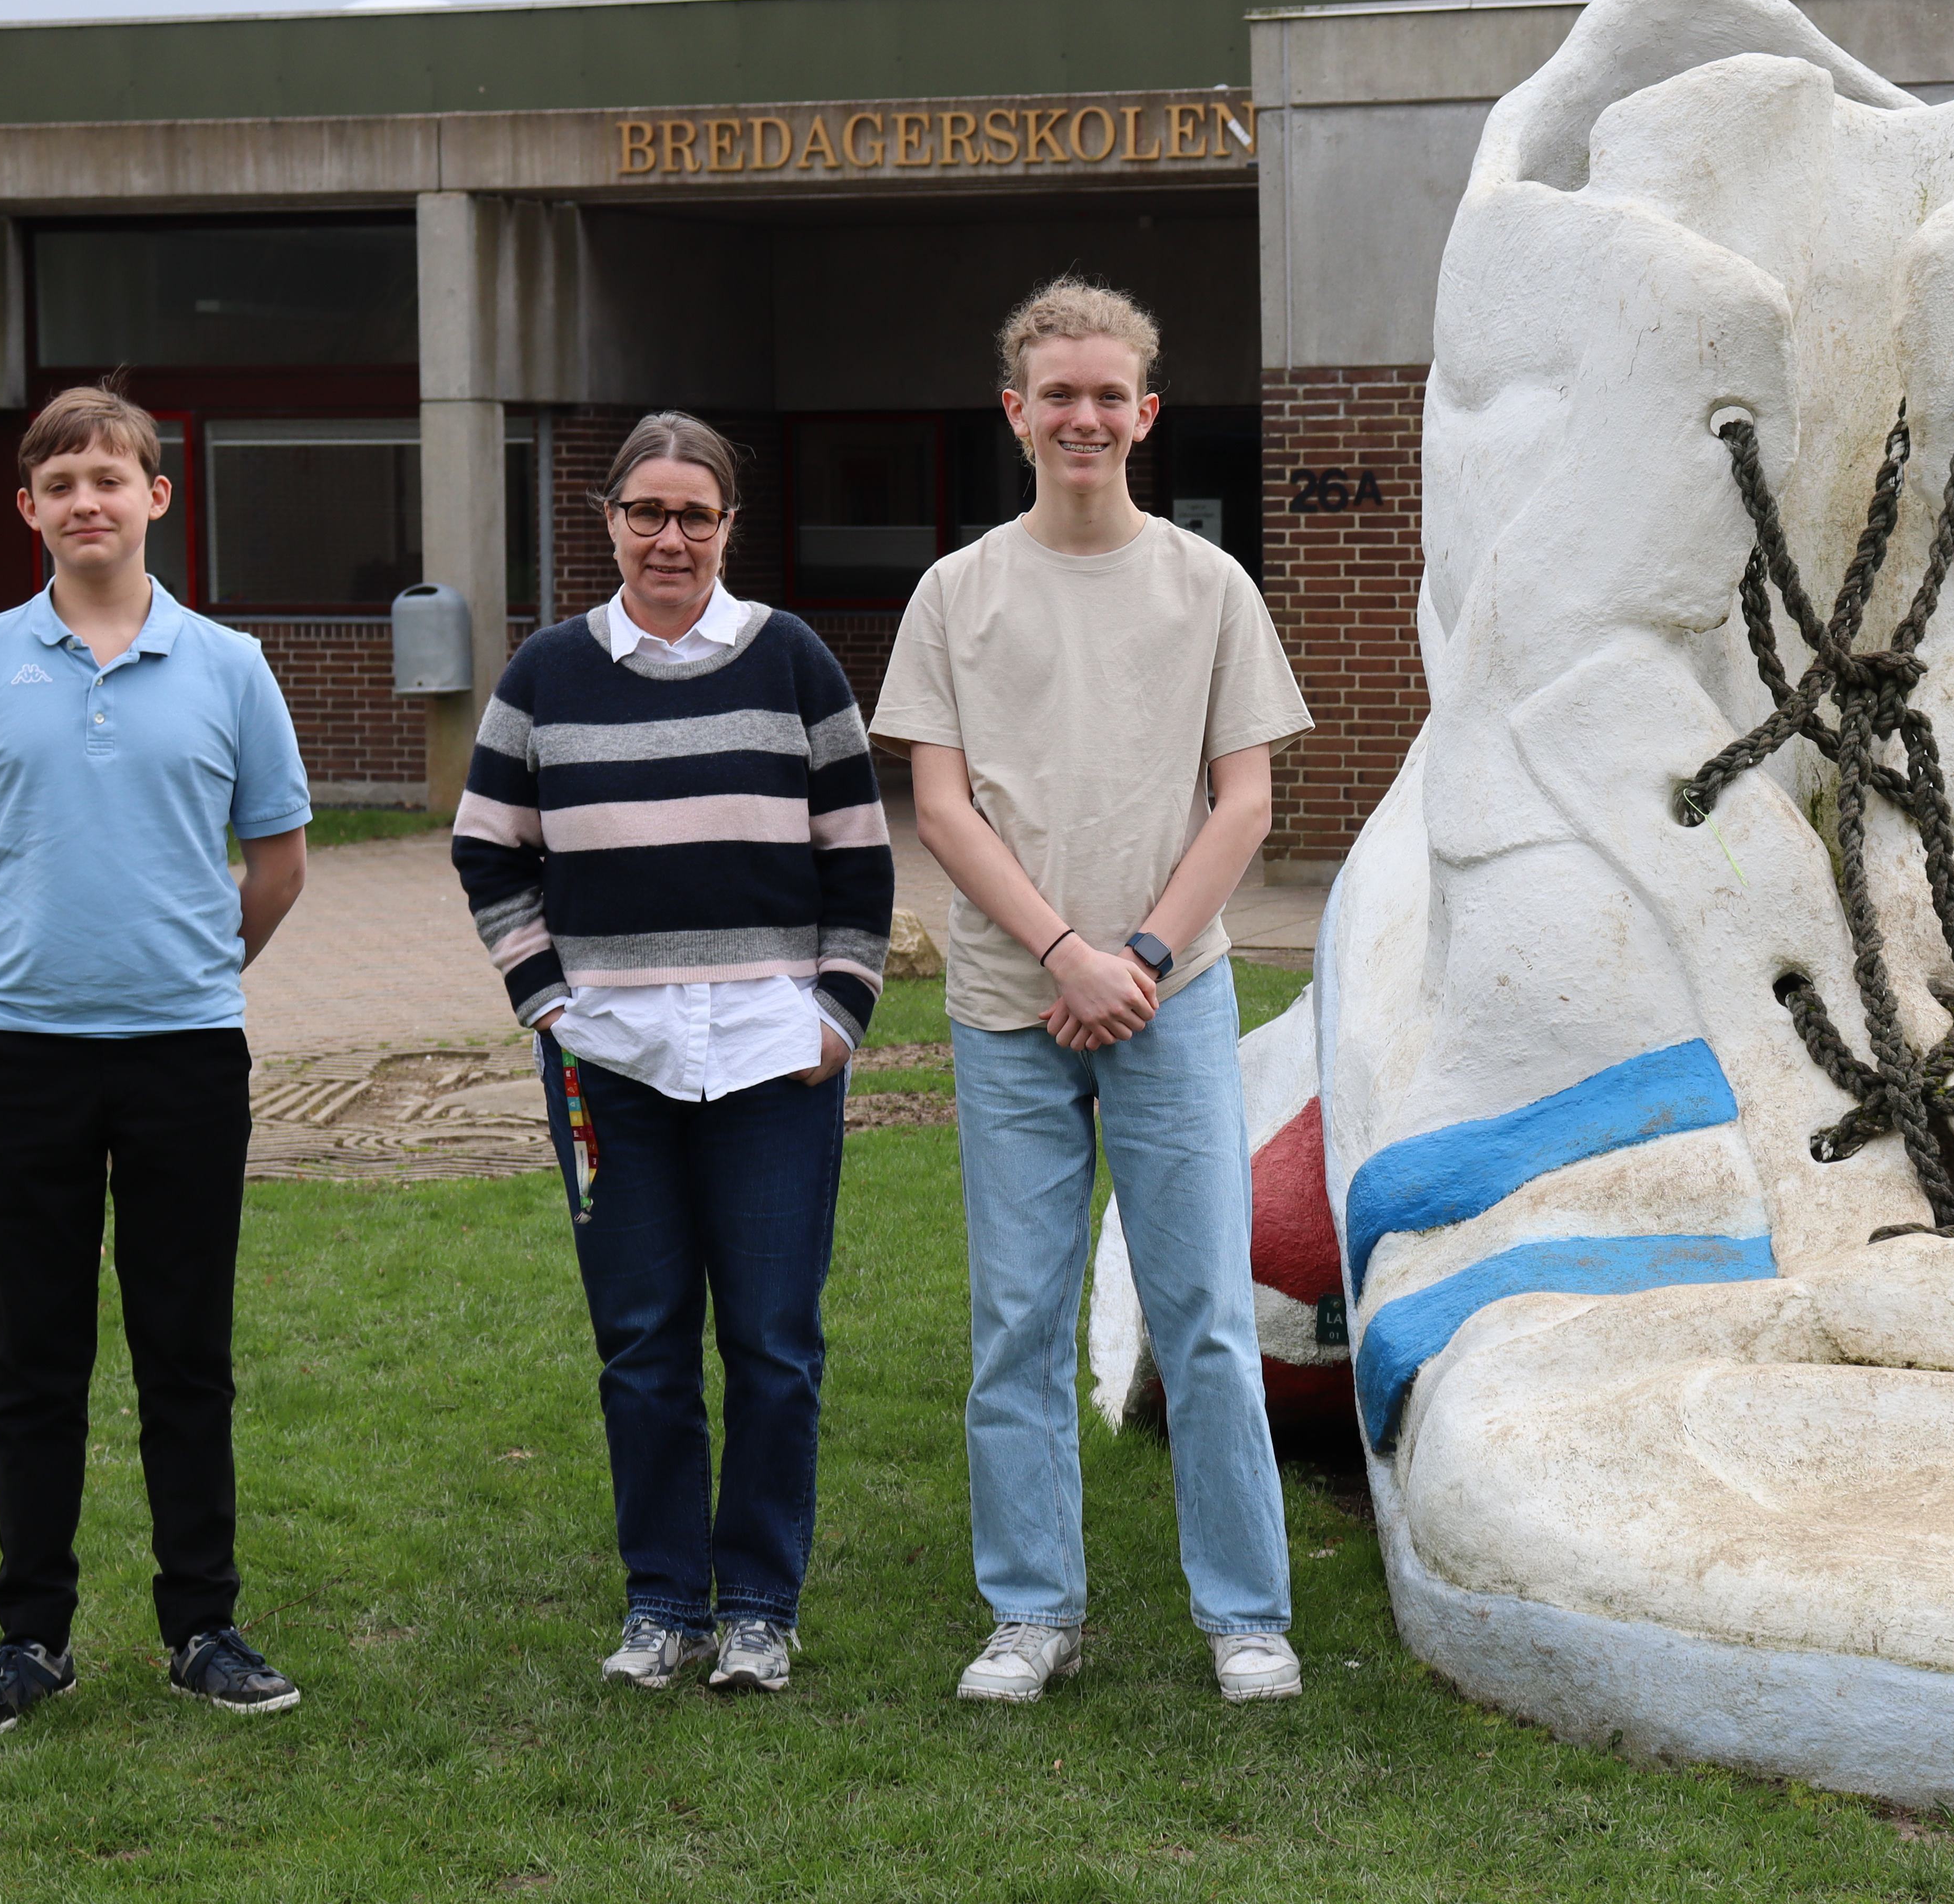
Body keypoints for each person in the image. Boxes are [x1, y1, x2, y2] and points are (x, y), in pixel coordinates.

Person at [871, 277, 1313, 1706]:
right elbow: (939, 805)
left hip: (1169, 1001)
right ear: (1017, 412)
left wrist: (1143, 958)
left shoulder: (1209, 588)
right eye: (1057, 394)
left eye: (1108, 394)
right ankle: (1033, 1615)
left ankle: (1246, 1618)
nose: (1083, 416)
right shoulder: (958, 592)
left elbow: (1245, 804)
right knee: (1016, 1318)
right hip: (1013, 1006)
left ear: (1147, 414)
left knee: (1204, 1313)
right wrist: (1067, 950)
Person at [453, 412, 893, 1696]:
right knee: (642, 1340)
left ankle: (757, 1601)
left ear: (727, 528)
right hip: (611, 1063)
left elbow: (860, 851)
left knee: (772, 1341)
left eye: (695, 514)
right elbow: (488, 846)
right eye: (647, 511)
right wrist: (545, 998)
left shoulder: (795, 663)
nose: (670, 535)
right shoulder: (545, 674)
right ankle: (663, 1602)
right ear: (610, 521)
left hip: (772, 1058)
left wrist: (840, 1013)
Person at [0, 382, 313, 1738]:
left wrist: (187, 968)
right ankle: (32, 1637)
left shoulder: (231, 664)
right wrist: (26, 957)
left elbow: (277, 862)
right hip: (21, 1055)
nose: (90, 500)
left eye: (112, 477)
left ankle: (204, 1622)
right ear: (29, 509)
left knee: (184, 1349)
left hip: (188, 1053)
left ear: (158, 496)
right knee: (39, 1357)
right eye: (63, 481)